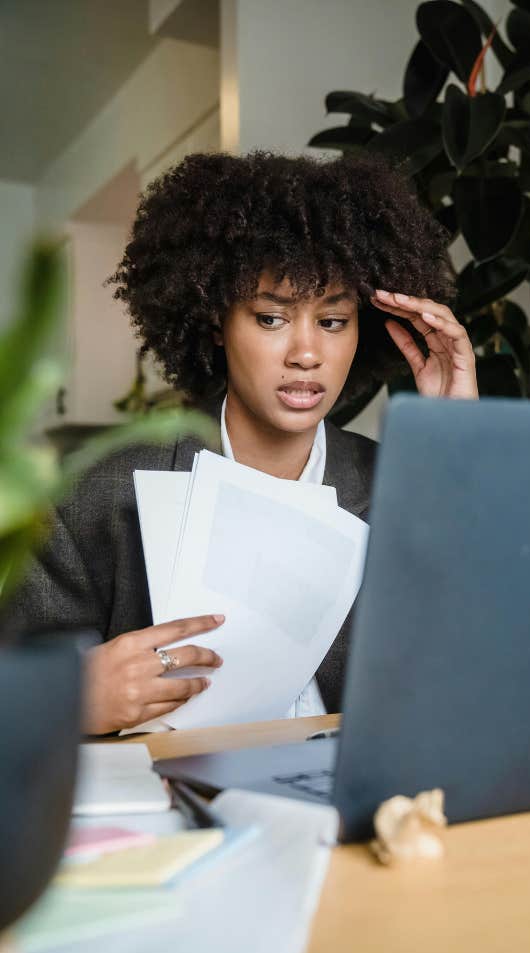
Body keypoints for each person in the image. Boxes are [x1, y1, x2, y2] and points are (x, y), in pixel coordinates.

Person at [3, 151, 478, 733]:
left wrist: (458, 449)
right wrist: (67, 699)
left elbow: (476, 666)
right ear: (214, 323)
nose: (307, 354)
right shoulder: (94, 493)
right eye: (271, 318)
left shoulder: (408, 485)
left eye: (332, 322)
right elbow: (15, 689)